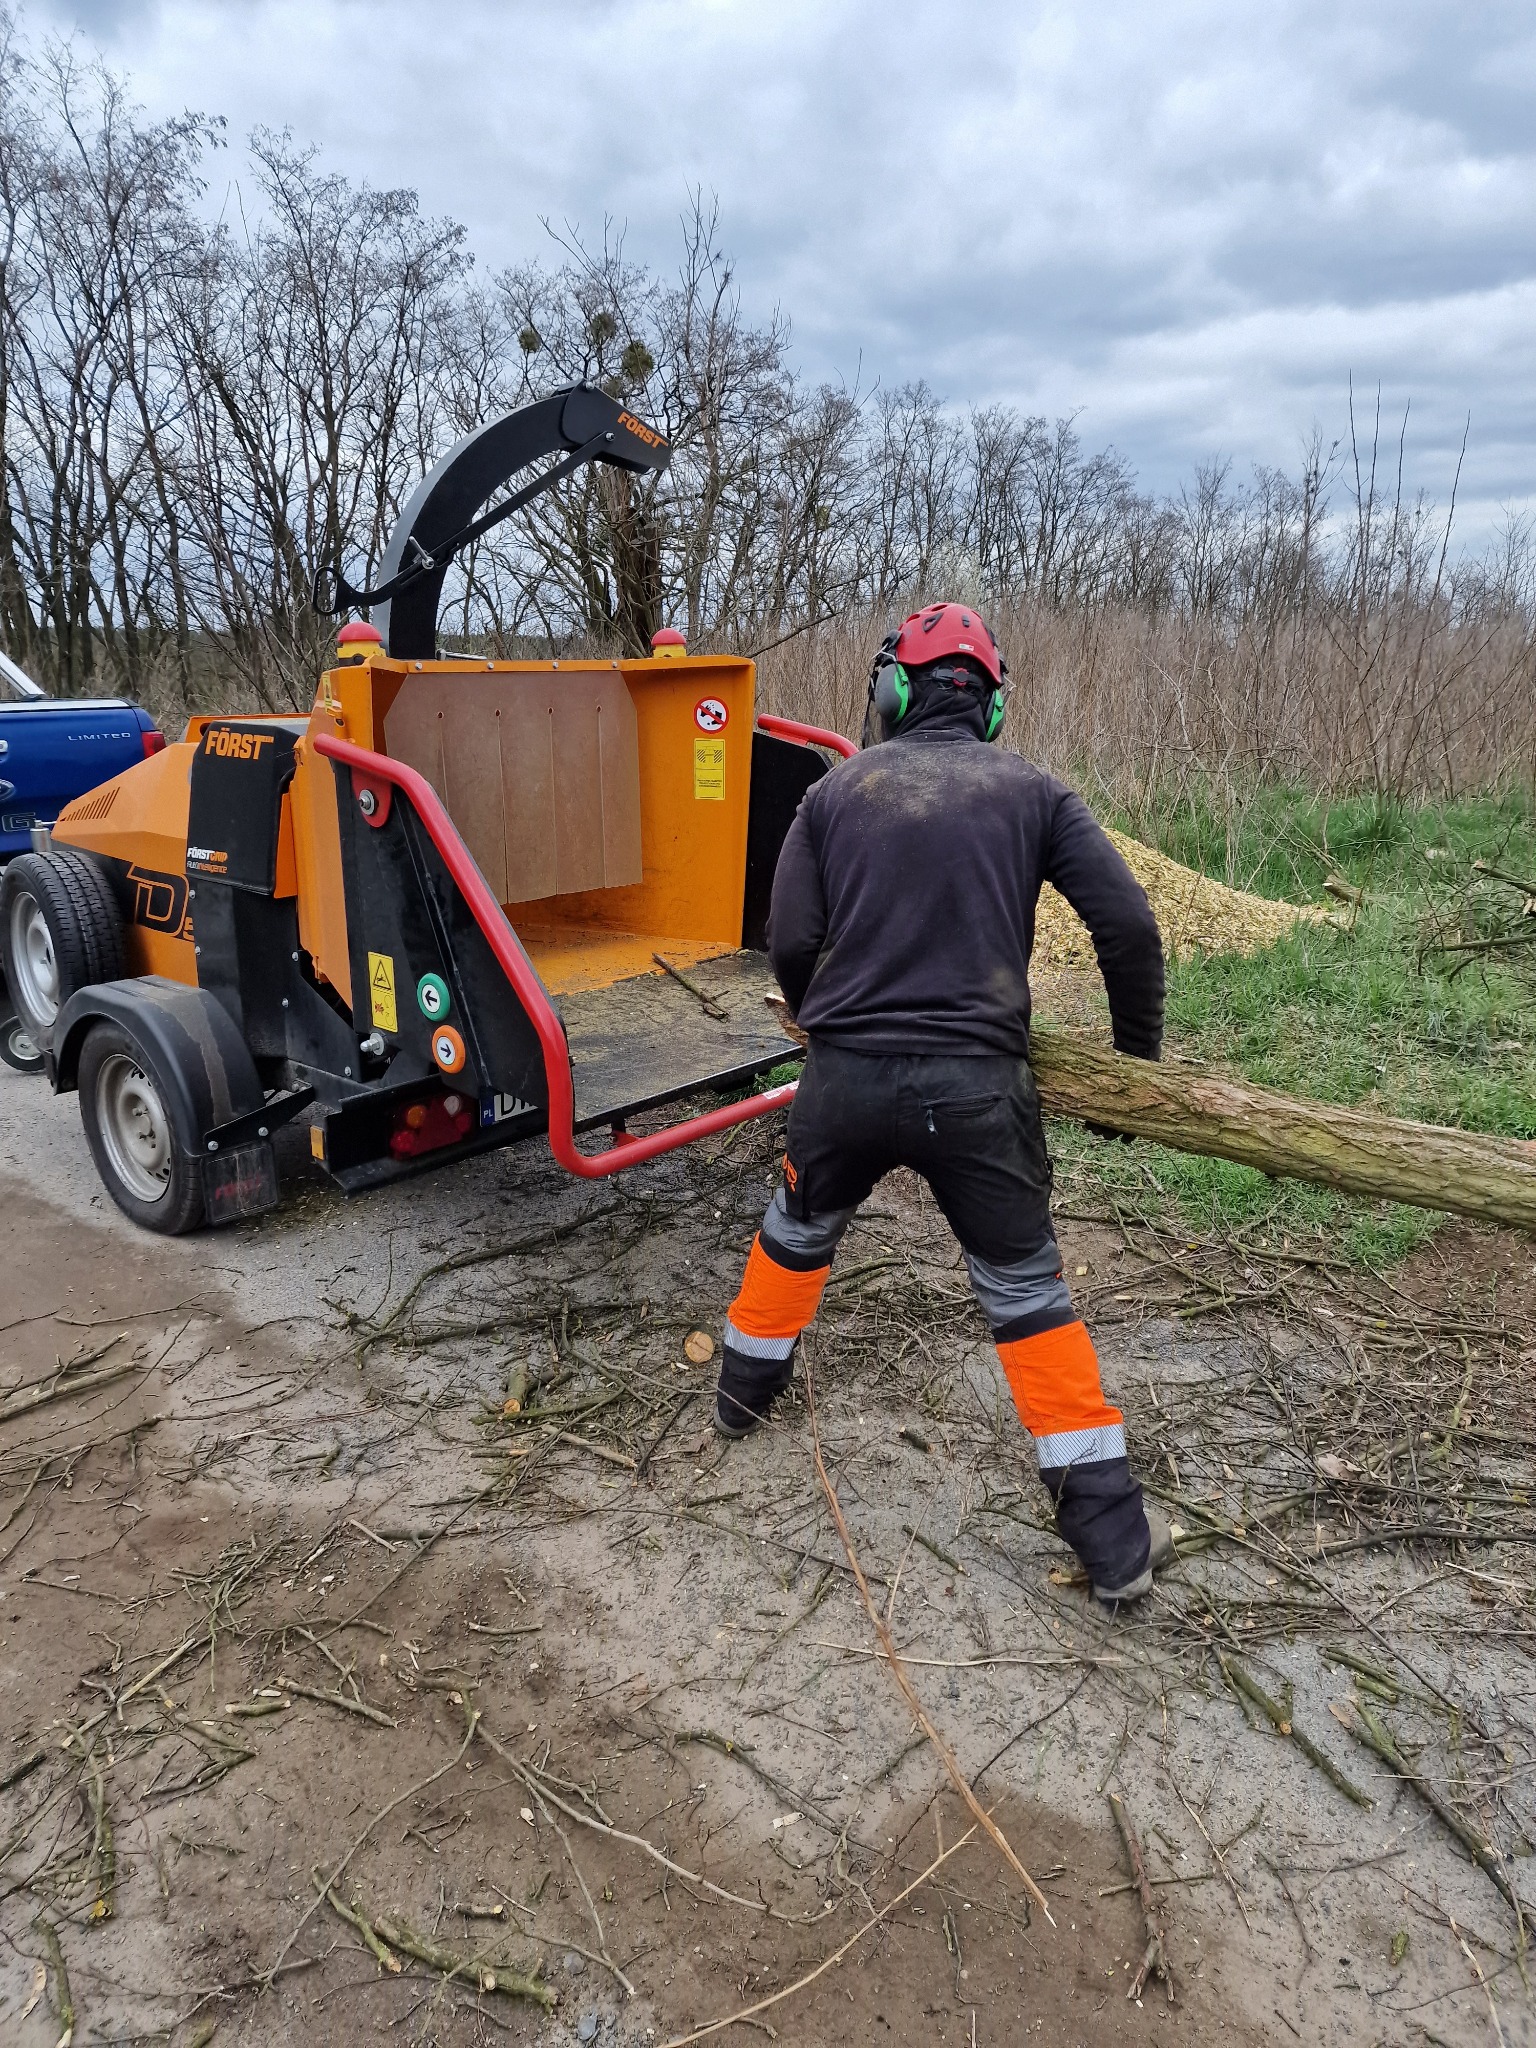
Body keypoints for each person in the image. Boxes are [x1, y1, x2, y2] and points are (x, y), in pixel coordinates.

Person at [714, 601, 1174, 1605]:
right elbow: (1130, 930)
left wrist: (816, 1016)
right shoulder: (1039, 791)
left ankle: (738, 1399)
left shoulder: (835, 792)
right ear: (992, 707)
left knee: (798, 1227)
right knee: (1025, 1296)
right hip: (980, 1093)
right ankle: (1117, 1551)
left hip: (845, 1084)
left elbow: (788, 936)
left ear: (894, 693)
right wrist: (1134, 1068)